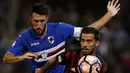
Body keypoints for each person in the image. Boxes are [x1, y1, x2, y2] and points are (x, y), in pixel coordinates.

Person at [3, 0, 120, 73]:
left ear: (47, 19)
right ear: (30, 20)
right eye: (35, 21)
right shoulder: (25, 37)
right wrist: (21, 57)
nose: (38, 25)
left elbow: (87, 31)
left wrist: (109, 14)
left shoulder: (59, 29)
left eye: (42, 21)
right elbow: (6, 58)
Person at [35, 27, 108, 73]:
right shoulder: (71, 55)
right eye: (82, 40)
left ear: (97, 42)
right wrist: (42, 70)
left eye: (89, 41)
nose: (85, 44)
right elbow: (55, 59)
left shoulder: (102, 67)